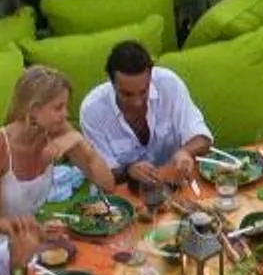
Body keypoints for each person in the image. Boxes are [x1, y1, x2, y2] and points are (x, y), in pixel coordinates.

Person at [0, 65, 114, 238]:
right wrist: (36, 231)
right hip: (0, 243)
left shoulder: (57, 129)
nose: (65, 114)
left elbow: (107, 183)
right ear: (34, 110)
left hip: (33, 235)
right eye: (58, 108)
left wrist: (79, 141)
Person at [79, 40, 214, 189]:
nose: (137, 102)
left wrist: (186, 151)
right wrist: (128, 170)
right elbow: (104, 175)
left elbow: (203, 139)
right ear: (111, 82)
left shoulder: (169, 84)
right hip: (123, 193)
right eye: (127, 94)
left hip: (175, 184)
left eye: (144, 91)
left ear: (151, 76)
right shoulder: (92, 110)